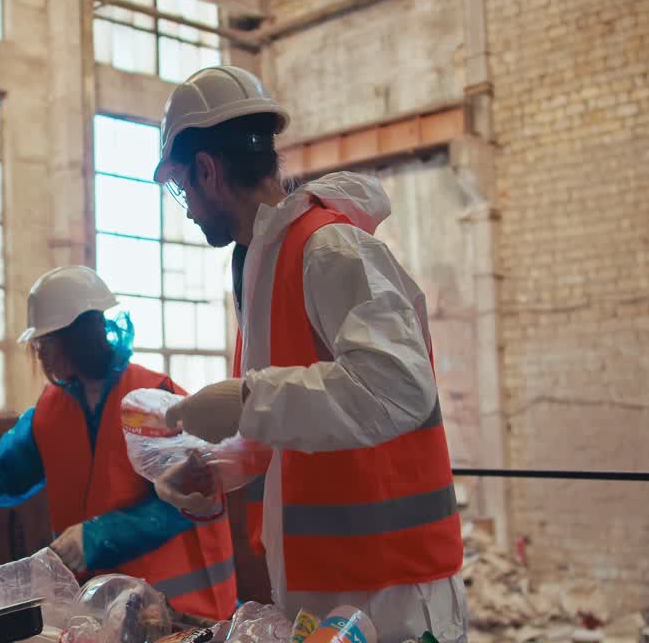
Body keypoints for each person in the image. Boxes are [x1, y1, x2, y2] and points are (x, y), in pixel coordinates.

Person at [149, 66, 467, 642]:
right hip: (326, 592)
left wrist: (249, 399)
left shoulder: (327, 248)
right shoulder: (260, 268)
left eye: (181, 188)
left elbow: (397, 387)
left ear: (206, 170)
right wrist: (221, 468)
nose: (188, 207)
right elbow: (305, 423)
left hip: (392, 593)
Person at [0, 266, 237, 620]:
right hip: (101, 610)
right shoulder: (53, 407)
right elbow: (4, 470)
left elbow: (186, 501)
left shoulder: (155, 400)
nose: (40, 356)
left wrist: (98, 537)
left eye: (46, 343)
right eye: (37, 345)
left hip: (176, 612)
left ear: (81, 335)